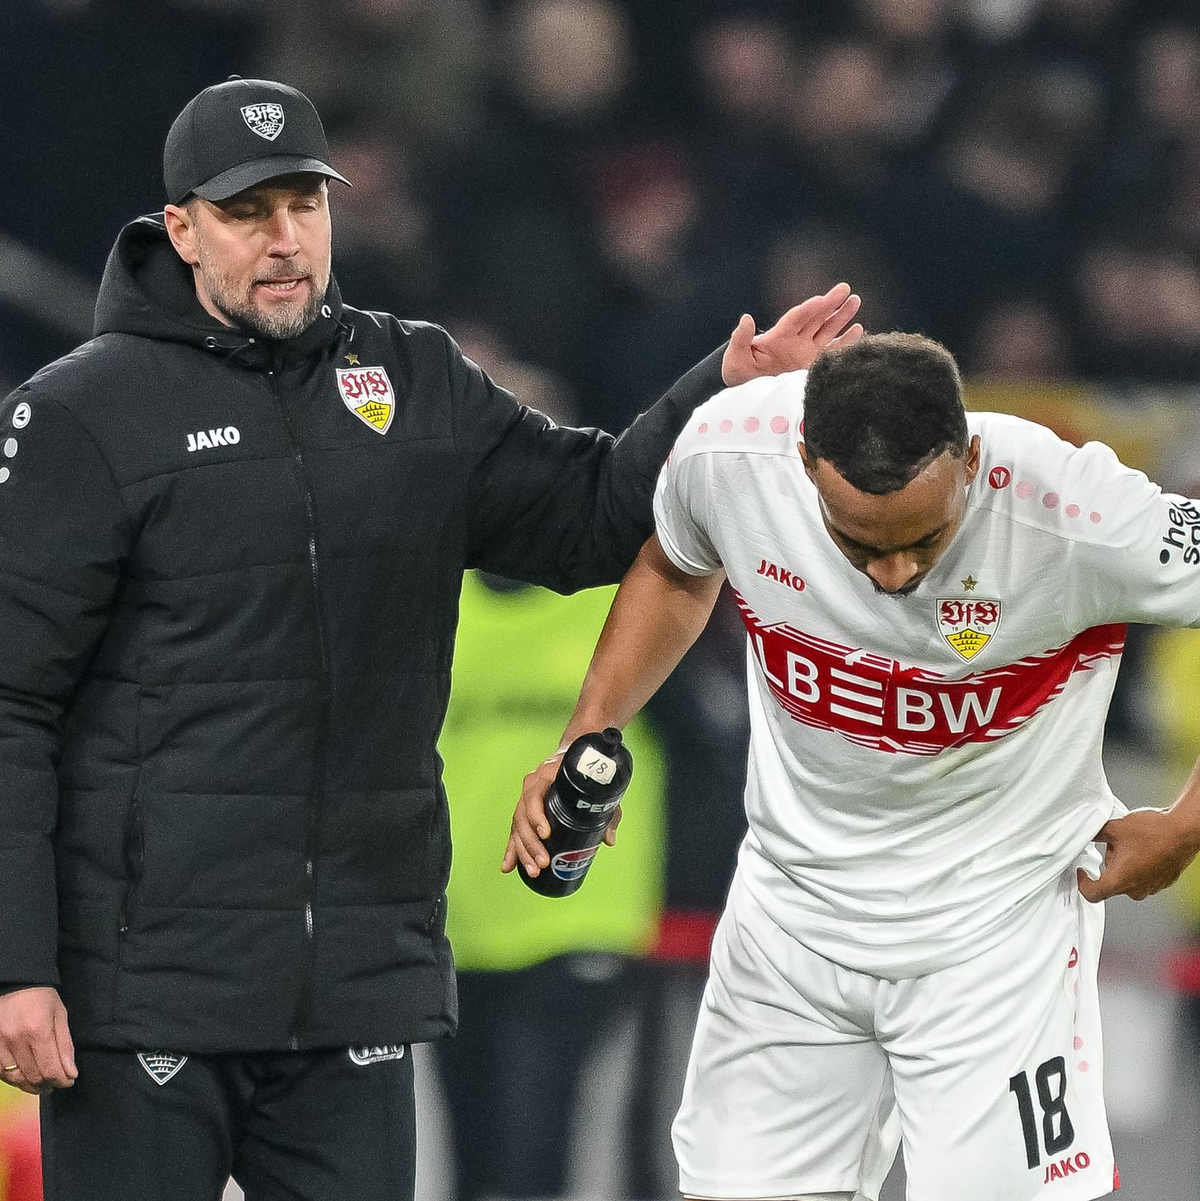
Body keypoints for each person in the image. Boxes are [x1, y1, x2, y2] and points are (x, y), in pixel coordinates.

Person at [0, 77, 863, 1201]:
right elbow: (12, 702)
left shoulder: (412, 379)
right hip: (144, 993)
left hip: (358, 987)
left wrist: (720, 390)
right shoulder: (81, 415)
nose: (284, 240)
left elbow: (591, 508)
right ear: (179, 228)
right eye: (247, 211)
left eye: (304, 206)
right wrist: (20, 966)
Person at [506, 331, 1200, 1200]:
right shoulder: (730, 455)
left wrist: (1184, 824)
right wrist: (587, 730)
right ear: (803, 459)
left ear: (971, 455)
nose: (895, 572)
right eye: (861, 544)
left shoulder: (1069, 506)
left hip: (995, 938)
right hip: (789, 928)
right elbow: (678, 563)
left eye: (924, 538)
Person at [434, 568, 667, 1201]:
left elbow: (702, 735)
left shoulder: (620, 599)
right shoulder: (438, 595)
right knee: (475, 1165)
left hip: (580, 916)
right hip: (461, 923)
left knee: (530, 1151)